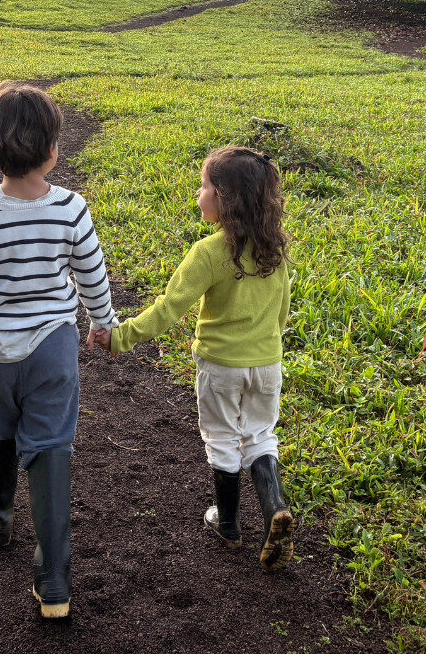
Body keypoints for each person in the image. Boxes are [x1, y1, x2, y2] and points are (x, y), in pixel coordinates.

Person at [0, 81, 118, 619]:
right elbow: (93, 275)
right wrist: (101, 323)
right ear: (54, 150)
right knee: (51, 445)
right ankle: (54, 581)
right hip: (53, 349)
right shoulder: (72, 208)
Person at [91, 145, 294, 569]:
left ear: (225, 199)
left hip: (222, 366)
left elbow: (169, 308)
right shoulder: (275, 250)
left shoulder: (209, 252)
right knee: (259, 435)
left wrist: (121, 336)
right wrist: (267, 345)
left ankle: (229, 524)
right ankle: (275, 507)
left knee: (221, 437)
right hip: (268, 362)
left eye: (204, 187)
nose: (198, 194)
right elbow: (282, 311)